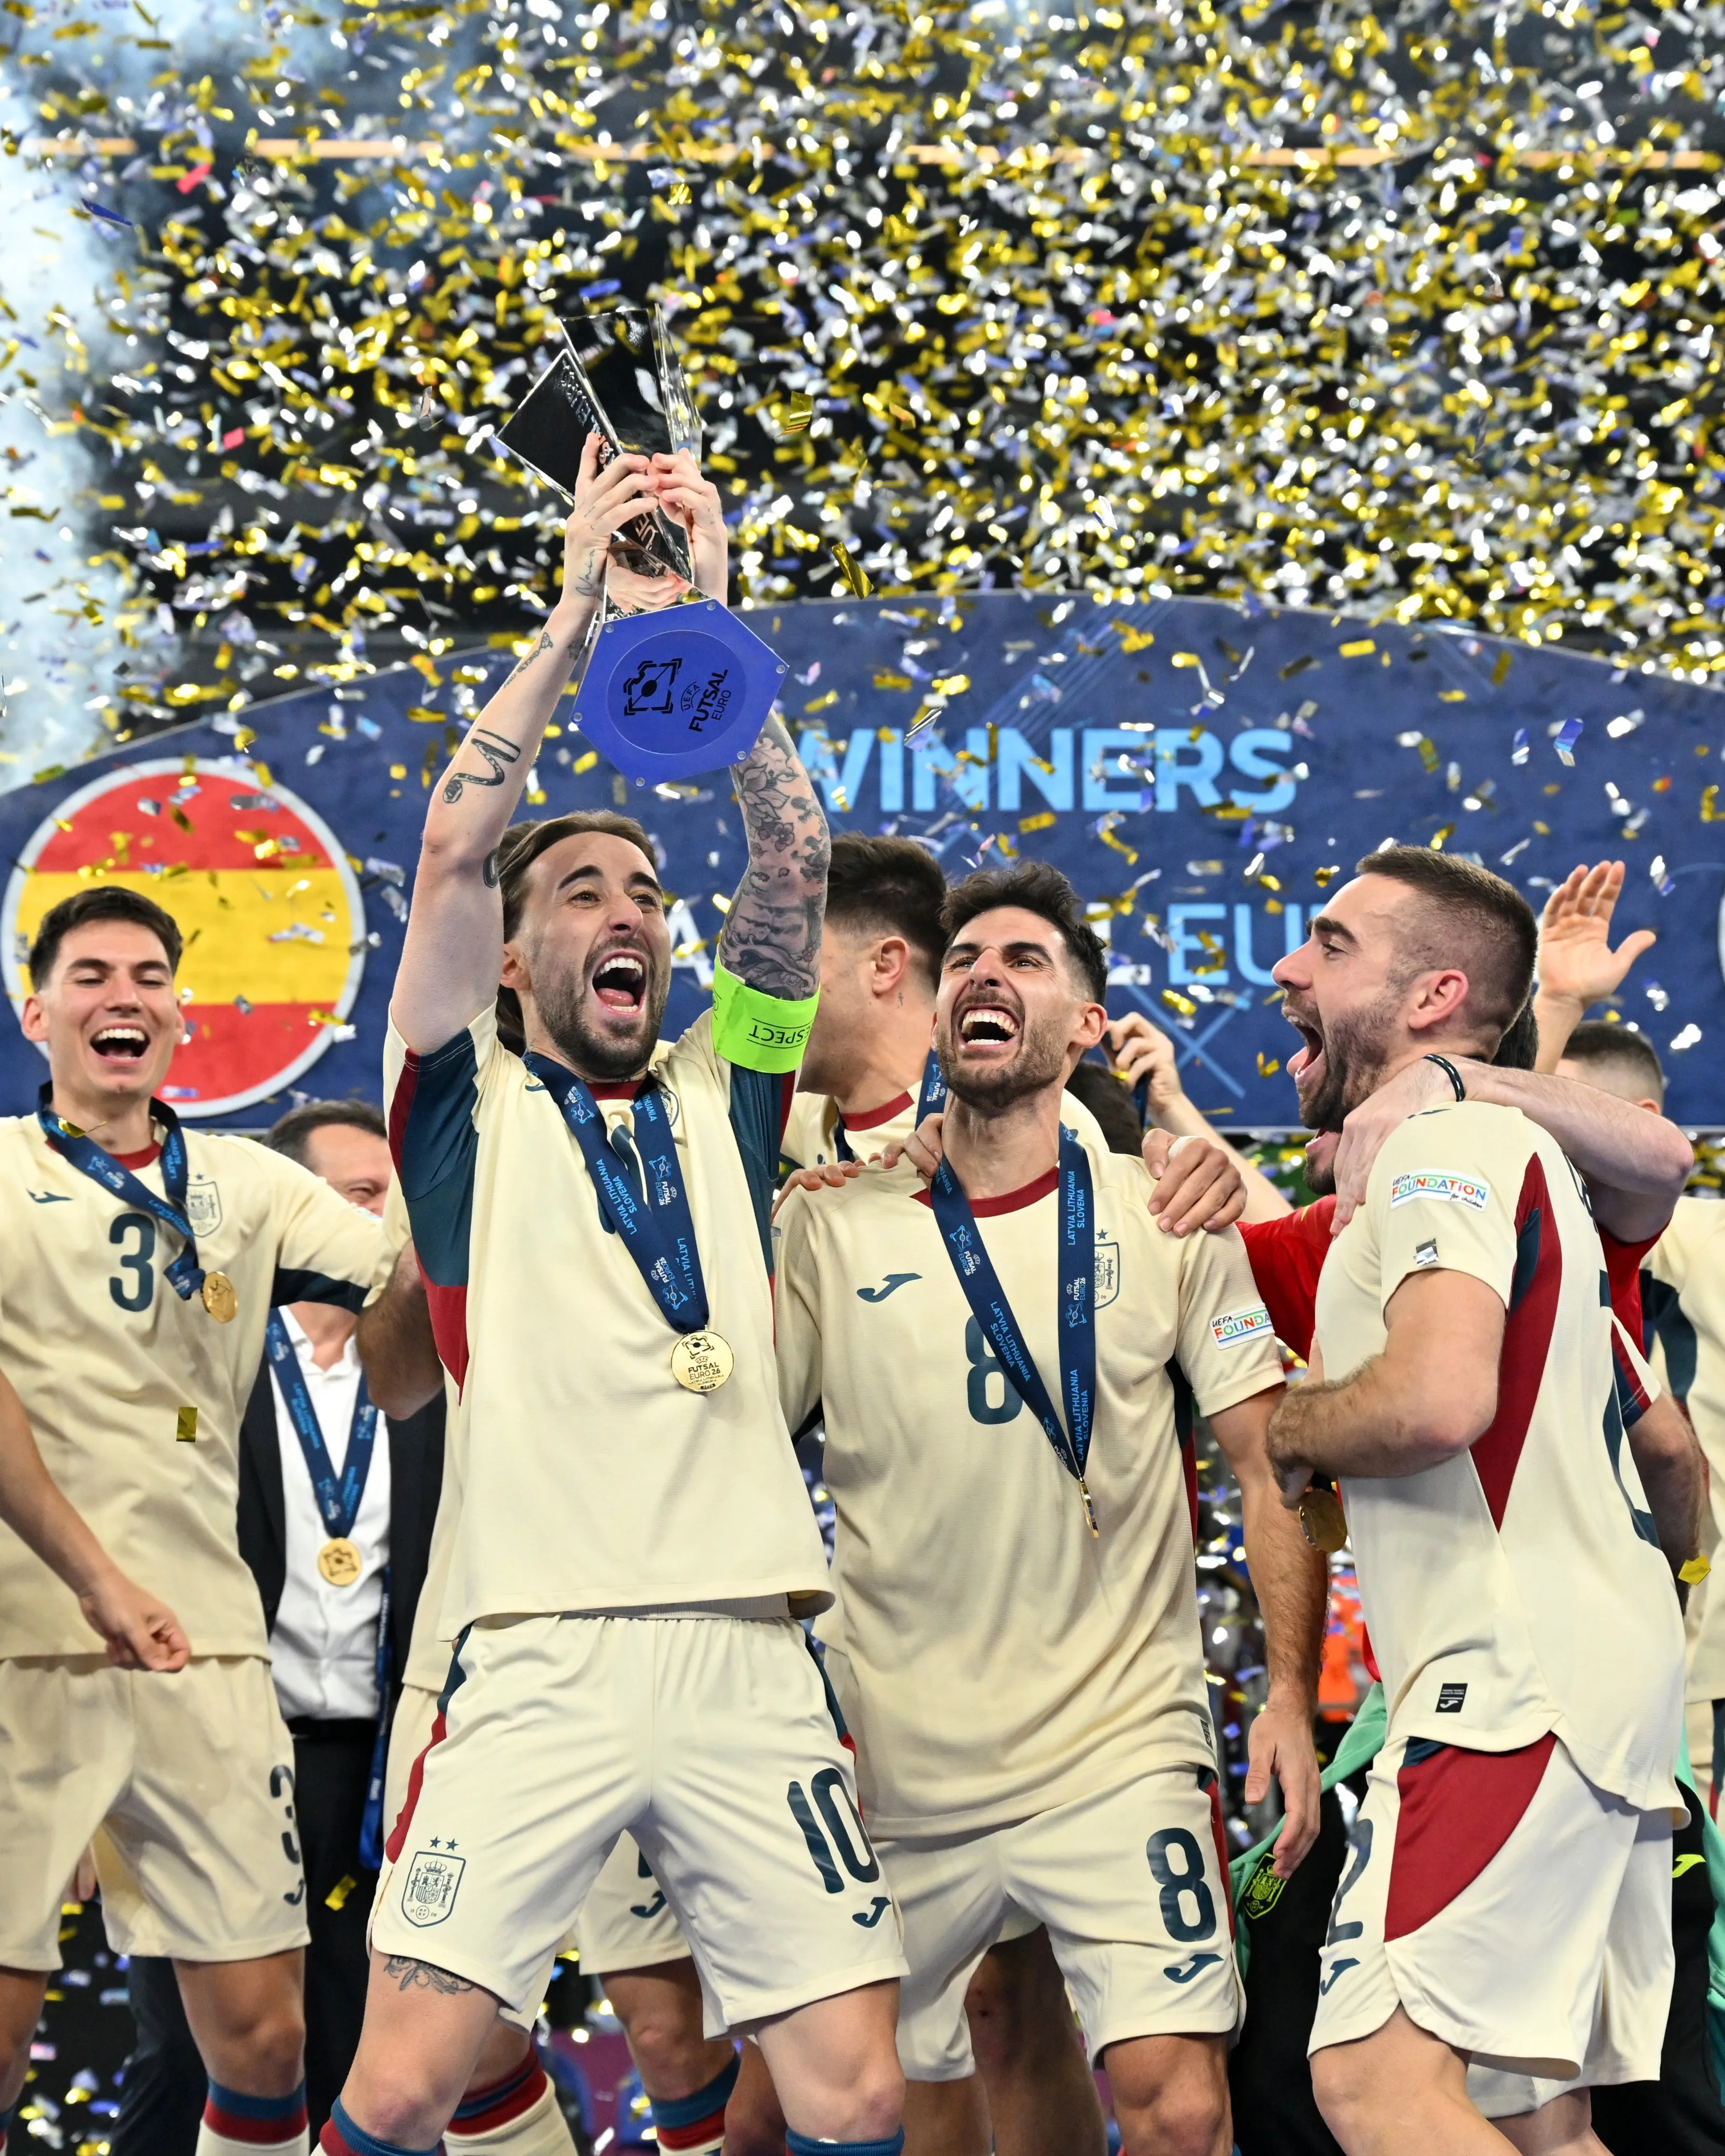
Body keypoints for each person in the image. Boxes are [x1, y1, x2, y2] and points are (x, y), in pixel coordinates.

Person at [327, 436, 906, 2156]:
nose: (629, 909)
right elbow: (447, 848)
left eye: (645, 891)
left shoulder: (727, 1096)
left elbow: (791, 857)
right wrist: (581, 609)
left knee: (853, 2091)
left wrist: (710, 646)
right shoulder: (460, 1111)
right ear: (517, 960)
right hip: (540, 1654)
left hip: (747, 1647)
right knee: (399, 2083)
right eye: (581, 890)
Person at [775, 860, 1327, 2156]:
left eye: (1025, 960)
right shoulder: (836, 1225)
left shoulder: (1168, 1213)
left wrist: (1290, 1693)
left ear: (1086, 1026)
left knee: (1183, 2110)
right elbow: (733, 1444)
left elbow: (1268, 1464)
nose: (983, 973)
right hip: (897, 1757)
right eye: (965, 957)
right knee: (879, 2110)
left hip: (1118, 1741)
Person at [1261, 846, 1690, 2156]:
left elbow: (1439, 1397)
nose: (1289, 965)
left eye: (1331, 943)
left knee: (1373, 2085)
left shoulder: (1443, 1135)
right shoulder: (1533, 1170)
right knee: (1538, 2119)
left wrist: (1295, 1428)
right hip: (1602, 1685)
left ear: (1437, 993)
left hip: (1509, 1687)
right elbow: (1676, 1469)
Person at [0, 884, 403, 2156]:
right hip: (25, 1650)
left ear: (180, 1014)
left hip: (209, 1650)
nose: (124, 995)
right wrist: (94, 1578)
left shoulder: (246, 1183)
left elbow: (405, 1283)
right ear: (38, 1010)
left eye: (149, 976)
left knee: (267, 2041)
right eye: (91, 974)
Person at [112, 1102, 446, 2152]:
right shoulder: (195, 1359)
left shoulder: (450, 1375)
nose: (380, 1224)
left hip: (379, 1769)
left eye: (394, 1198)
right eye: (354, 1198)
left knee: (365, 2061)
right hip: (221, 1748)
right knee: (191, 2054)